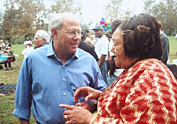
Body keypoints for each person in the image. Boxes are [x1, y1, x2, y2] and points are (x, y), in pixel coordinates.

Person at [60, 13, 177, 124]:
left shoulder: (152, 78)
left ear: (131, 45)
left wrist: (89, 120)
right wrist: (101, 97)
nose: (112, 50)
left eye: (116, 44)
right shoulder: (140, 69)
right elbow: (131, 103)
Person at [13, 12, 107, 124]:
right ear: (54, 33)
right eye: (72, 32)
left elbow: (104, 96)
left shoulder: (89, 61)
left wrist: (91, 106)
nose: (77, 38)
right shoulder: (32, 60)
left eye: (79, 33)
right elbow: (22, 103)